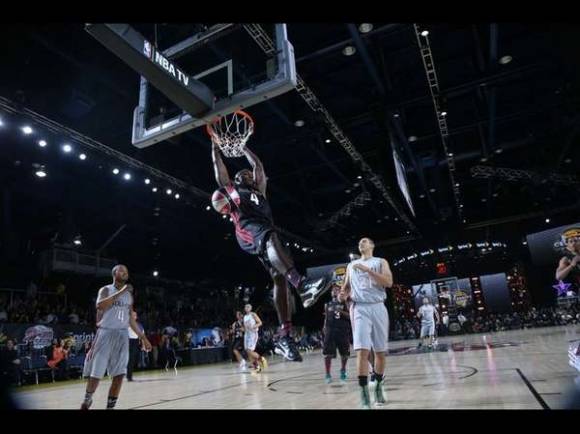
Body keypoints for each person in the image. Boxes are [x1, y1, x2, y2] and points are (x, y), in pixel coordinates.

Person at [211, 142, 333, 362]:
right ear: (236, 180)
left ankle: (285, 337)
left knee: (279, 277)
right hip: (247, 229)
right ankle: (302, 285)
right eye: (243, 174)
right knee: (271, 236)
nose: (248, 175)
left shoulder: (259, 191)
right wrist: (215, 149)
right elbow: (219, 170)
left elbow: (258, 166)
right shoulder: (233, 191)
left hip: (265, 231)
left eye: (249, 174)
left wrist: (244, 148)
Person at [80, 265, 152, 410]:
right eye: (121, 270)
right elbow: (100, 306)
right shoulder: (105, 290)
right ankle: (87, 399)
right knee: (96, 374)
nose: (125, 272)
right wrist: (122, 291)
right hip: (106, 332)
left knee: (119, 374)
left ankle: (110, 407)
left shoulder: (129, 296)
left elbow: (130, 318)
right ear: (114, 273)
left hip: (122, 334)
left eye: (126, 271)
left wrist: (143, 337)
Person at [339, 237, 393, 409]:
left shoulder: (380, 262)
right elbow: (345, 288)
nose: (361, 243)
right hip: (359, 308)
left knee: (380, 352)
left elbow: (388, 282)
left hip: (378, 306)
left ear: (372, 245)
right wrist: (342, 295)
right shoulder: (351, 265)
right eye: (360, 242)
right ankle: (364, 393)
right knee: (362, 351)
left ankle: (378, 385)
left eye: (365, 241)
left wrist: (367, 270)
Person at [322, 284, 350, 384]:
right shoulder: (327, 304)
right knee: (327, 354)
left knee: (344, 354)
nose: (334, 291)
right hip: (330, 330)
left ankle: (343, 371)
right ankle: (327, 374)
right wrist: (324, 326)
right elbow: (326, 317)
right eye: (333, 290)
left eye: (337, 289)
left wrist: (341, 311)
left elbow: (350, 316)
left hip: (342, 330)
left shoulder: (345, 303)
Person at [243, 304, 267, 373]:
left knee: (250, 350)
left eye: (248, 307)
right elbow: (245, 326)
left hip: (253, 334)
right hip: (247, 334)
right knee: (247, 351)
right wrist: (243, 329)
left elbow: (260, 323)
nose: (247, 308)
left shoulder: (253, 314)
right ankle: (256, 366)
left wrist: (254, 326)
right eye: (246, 307)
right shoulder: (245, 317)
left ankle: (261, 359)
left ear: (250, 308)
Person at [127, 311, 144, 382]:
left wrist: (143, 344)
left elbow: (142, 335)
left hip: (135, 342)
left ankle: (129, 376)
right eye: (132, 315)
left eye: (135, 315)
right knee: (127, 359)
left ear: (136, 317)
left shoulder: (139, 325)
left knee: (132, 359)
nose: (134, 316)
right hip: (128, 341)